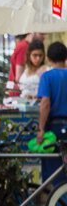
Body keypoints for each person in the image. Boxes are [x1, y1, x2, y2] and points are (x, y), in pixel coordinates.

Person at [37, 41, 67, 183]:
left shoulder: (47, 77)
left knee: (55, 170)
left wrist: (41, 129)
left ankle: (58, 203)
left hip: (54, 128)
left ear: (48, 58)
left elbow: (45, 104)